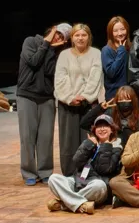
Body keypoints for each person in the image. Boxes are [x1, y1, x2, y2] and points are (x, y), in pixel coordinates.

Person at [18, 23, 70, 185]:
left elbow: (48, 71)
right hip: (27, 95)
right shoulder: (31, 42)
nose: (58, 37)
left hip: (47, 97)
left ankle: (45, 171)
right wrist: (46, 43)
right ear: (52, 30)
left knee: (46, 137)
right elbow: (34, 61)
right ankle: (28, 172)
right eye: (57, 33)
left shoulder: (58, 54)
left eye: (62, 37)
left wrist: (52, 50)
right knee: (27, 137)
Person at [46, 114, 123, 215]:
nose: (102, 129)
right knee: (53, 178)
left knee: (99, 186)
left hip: (96, 186)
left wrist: (105, 146)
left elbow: (104, 169)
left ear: (112, 129)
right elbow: (76, 162)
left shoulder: (117, 147)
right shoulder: (90, 142)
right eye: (99, 126)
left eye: (105, 126)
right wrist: (88, 145)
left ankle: (65, 203)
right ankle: (78, 204)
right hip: (79, 182)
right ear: (94, 130)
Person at [54, 23, 103, 176]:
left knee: (88, 139)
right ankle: (69, 173)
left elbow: (95, 77)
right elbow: (60, 78)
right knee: (68, 140)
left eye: (84, 35)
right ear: (72, 38)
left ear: (89, 37)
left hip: (88, 105)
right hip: (67, 104)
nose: (80, 38)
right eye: (77, 35)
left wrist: (85, 96)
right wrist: (70, 97)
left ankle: (86, 173)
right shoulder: (64, 55)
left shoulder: (96, 53)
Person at [101, 16, 131, 102]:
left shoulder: (132, 47)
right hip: (114, 96)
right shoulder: (106, 50)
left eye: (122, 29)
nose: (120, 33)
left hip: (131, 94)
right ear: (110, 32)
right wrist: (121, 50)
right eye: (115, 31)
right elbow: (111, 72)